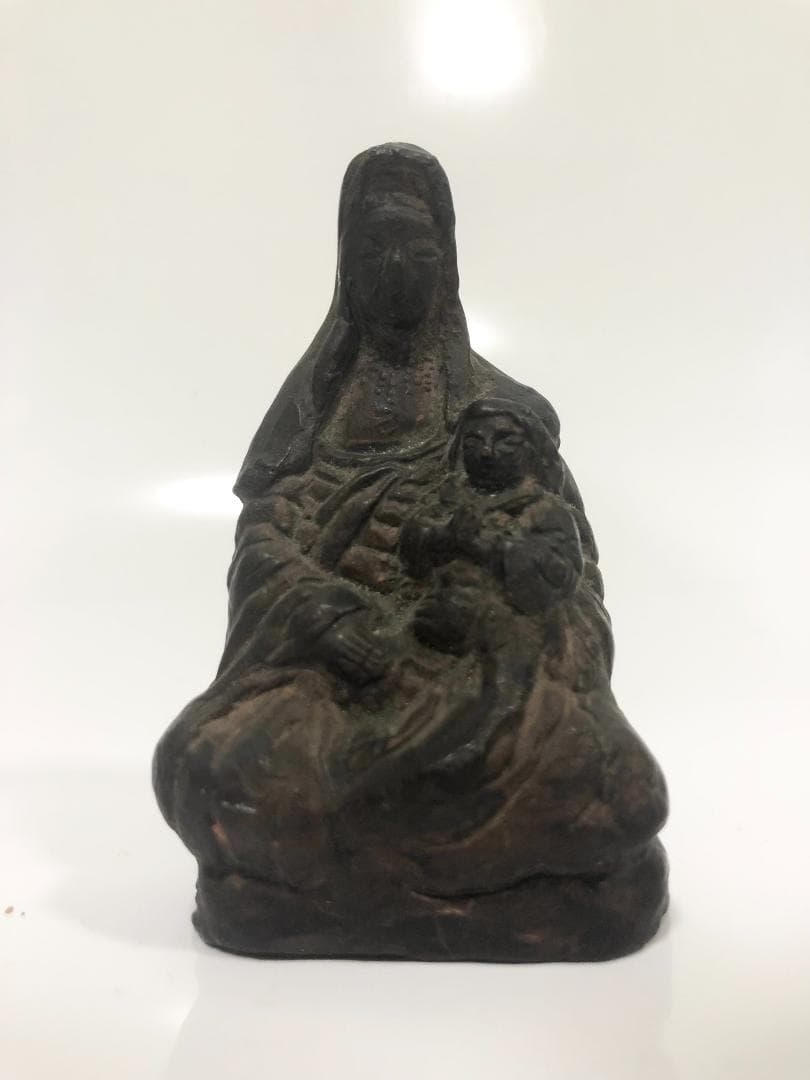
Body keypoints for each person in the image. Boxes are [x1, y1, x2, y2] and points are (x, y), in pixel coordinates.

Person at [153, 143, 668, 960]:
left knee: (620, 793)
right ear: (346, 267)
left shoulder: (503, 416)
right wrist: (333, 623)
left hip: (494, 680)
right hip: (335, 681)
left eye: (419, 250)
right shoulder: (310, 418)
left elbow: (571, 573)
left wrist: (496, 620)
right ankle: (413, 875)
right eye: (374, 249)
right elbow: (263, 546)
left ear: (447, 263)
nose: (397, 270)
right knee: (203, 769)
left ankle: (336, 878)